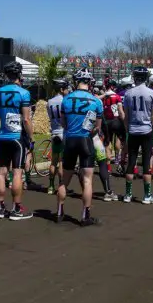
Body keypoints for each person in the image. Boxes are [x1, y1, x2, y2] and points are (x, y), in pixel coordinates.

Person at [0, 61, 34, 220]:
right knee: (17, 172)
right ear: (19, 75)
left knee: (2, 171)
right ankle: (16, 208)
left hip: (3, 136)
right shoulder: (23, 93)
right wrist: (32, 138)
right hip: (17, 138)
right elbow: (27, 120)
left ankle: (0, 207)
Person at [57, 69, 102, 225]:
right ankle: (85, 215)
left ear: (76, 82)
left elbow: (62, 123)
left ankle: (59, 211)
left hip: (70, 139)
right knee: (88, 180)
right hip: (85, 140)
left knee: (65, 179)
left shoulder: (66, 99)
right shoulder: (96, 101)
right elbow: (97, 127)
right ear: (89, 82)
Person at [123, 66, 153, 204]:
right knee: (146, 162)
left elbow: (126, 116)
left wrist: (127, 130)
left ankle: (127, 194)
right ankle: (147, 196)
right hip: (146, 130)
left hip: (133, 130)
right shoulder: (152, 93)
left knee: (131, 161)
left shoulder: (128, 93)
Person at [46, 79, 70, 195]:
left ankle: (50, 186)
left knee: (53, 162)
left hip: (54, 132)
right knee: (61, 162)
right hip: (62, 132)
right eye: (65, 88)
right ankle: (61, 185)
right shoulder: (65, 101)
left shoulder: (49, 102)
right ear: (61, 89)